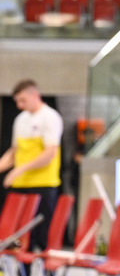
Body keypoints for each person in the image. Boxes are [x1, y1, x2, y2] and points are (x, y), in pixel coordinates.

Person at [0, 79, 63, 250]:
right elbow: (14, 153)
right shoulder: (20, 119)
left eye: (23, 100)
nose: (19, 105)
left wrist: (19, 170)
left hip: (42, 185)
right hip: (21, 186)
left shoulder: (50, 117)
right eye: (17, 101)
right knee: (17, 240)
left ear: (35, 95)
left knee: (40, 238)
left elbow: (50, 153)